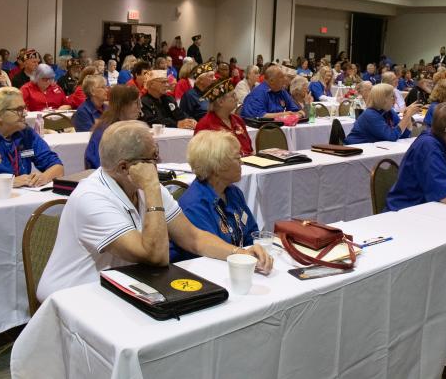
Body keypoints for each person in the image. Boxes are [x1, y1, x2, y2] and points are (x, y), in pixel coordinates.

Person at [36, 121, 272, 302]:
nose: (159, 160)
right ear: (125, 167)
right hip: (72, 295)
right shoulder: (92, 198)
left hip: (117, 284)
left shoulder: (142, 185)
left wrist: (240, 253)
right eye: (152, 156)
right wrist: (150, 188)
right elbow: (155, 256)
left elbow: (193, 237)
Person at [170, 130, 259, 261]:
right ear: (218, 165)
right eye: (237, 158)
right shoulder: (194, 205)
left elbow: (251, 235)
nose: (242, 163)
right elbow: (211, 255)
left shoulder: (233, 192)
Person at [84, 85, 141, 169]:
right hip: (105, 177)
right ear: (123, 106)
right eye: (136, 103)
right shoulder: (107, 131)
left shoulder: (121, 126)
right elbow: (103, 166)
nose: (140, 107)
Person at [194, 78, 253, 156]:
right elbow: (200, 157)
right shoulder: (205, 125)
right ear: (220, 102)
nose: (237, 98)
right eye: (233, 96)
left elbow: (250, 150)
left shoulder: (238, 120)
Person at [345, 83, 420, 144]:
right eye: (392, 96)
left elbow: (404, 135)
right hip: (356, 150)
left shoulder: (389, 111)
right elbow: (392, 136)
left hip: (372, 149)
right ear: (383, 99)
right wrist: (407, 116)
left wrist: (408, 116)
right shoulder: (370, 115)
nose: (395, 99)